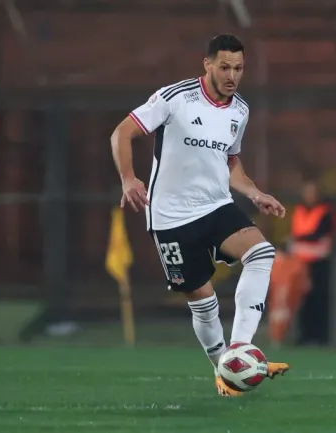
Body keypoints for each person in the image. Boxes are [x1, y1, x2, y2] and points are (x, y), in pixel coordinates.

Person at [110, 34, 289, 397]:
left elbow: (230, 162)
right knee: (203, 302)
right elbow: (122, 132)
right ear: (206, 64)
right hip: (170, 216)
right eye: (224, 66)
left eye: (238, 68)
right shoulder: (174, 98)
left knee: (262, 253)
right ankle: (224, 368)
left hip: (214, 206)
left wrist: (254, 192)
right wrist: (128, 178)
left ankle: (240, 347)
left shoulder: (240, 110)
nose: (232, 75)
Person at [289, 179, 336, 346]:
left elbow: (319, 235)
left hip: (318, 263)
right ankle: (304, 334)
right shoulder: (299, 211)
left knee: (319, 299)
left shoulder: (325, 212)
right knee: (302, 300)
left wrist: (300, 240)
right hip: (300, 263)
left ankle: (320, 335)